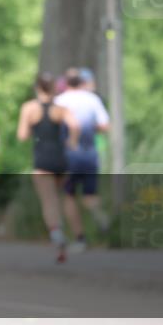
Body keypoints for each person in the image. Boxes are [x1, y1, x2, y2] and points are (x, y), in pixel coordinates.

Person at [17, 72, 80, 263]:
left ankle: (56, 233)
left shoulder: (29, 108)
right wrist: (72, 142)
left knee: (48, 202)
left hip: (42, 160)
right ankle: (64, 241)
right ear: (53, 88)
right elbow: (75, 125)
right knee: (60, 199)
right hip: (60, 158)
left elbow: (22, 135)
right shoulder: (61, 109)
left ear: (37, 88)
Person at [55, 67, 111, 252]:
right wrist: (90, 129)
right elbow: (104, 125)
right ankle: (101, 218)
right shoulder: (92, 99)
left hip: (68, 156)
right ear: (81, 81)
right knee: (90, 196)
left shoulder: (60, 101)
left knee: (69, 196)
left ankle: (80, 238)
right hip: (90, 155)